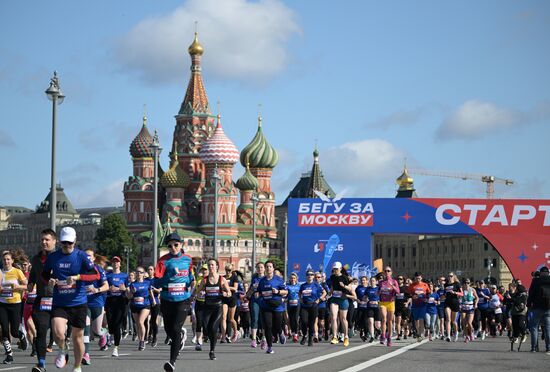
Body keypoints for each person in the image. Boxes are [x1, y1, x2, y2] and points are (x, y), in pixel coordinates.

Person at [41, 227, 100, 372]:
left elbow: (95, 276)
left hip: (78, 303)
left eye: (69, 243)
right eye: (64, 243)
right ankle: (62, 350)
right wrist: (50, 281)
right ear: (60, 242)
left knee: (77, 337)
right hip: (60, 302)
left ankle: (77, 366)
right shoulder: (53, 257)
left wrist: (78, 277)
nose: (66, 246)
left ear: (74, 241)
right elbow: (44, 275)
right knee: (57, 331)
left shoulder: (81, 256)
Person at [154, 233, 195, 372]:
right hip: (166, 298)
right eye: (170, 245)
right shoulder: (163, 261)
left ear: (181, 245)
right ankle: (180, 337)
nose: (173, 247)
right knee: (168, 330)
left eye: (176, 245)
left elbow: (190, 277)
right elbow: (156, 282)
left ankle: (172, 362)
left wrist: (192, 288)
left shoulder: (188, 259)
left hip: (182, 299)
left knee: (176, 329)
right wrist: (168, 276)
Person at [28, 229, 57, 372]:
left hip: (58, 300)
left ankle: (63, 350)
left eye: (47, 239)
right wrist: (30, 284)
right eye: (42, 240)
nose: (44, 242)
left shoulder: (60, 258)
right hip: (42, 299)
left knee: (58, 333)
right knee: (40, 331)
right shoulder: (36, 259)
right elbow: (33, 274)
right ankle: (41, 364)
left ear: (54, 241)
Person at [195, 258, 231, 360]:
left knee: (214, 328)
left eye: (212, 265)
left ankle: (212, 351)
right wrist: (199, 293)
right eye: (209, 265)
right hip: (207, 307)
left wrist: (225, 293)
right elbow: (197, 291)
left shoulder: (222, 280)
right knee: (206, 328)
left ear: (216, 267)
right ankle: (208, 338)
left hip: (218, 306)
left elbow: (229, 293)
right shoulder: (205, 280)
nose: (211, 267)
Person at [0, 251, 28, 364]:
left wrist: (18, 286)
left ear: (12, 261)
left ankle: (21, 336)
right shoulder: (0, 272)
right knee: (5, 330)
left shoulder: (17, 272)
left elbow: (27, 286)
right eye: (4, 259)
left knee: (14, 331)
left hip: (15, 304)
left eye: (8, 259)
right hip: (2, 304)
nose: (6, 261)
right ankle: (9, 355)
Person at [82, 250, 109, 365]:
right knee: (86, 330)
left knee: (96, 330)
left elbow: (106, 286)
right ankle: (86, 354)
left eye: (89, 256)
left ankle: (104, 334)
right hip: (84, 303)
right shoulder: (80, 269)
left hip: (97, 302)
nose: (87, 258)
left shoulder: (99, 269)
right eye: (85, 256)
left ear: (93, 258)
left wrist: (96, 290)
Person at [257, 261, 288, 354]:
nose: (268, 268)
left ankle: (280, 332)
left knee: (277, 325)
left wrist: (278, 292)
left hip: (277, 306)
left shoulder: (279, 279)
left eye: (270, 266)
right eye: (266, 266)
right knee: (268, 326)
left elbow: (286, 292)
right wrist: (257, 294)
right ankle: (269, 347)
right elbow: (259, 291)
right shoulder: (262, 280)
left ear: (273, 269)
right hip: (265, 306)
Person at [105, 256, 128, 357]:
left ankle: (116, 348)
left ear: (120, 264)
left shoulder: (125, 276)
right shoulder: (107, 275)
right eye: (114, 262)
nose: (115, 263)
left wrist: (124, 288)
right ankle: (111, 335)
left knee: (117, 324)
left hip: (120, 301)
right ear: (112, 264)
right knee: (110, 324)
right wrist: (109, 288)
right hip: (110, 301)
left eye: (117, 262)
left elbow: (129, 289)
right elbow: (104, 286)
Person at [127, 266, 154, 351]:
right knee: (138, 324)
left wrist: (153, 300)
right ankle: (140, 341)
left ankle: (143, 340)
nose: (139, 273)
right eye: (137, 272)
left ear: (143, 274)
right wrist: (132, 292)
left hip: (145, 305)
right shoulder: (133, 284)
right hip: (135, 305)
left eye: (141, 272)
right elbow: (130, 297)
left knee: (140, 321)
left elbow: (150, 292)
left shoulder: (147, 283)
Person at [328, 262, 354, 347]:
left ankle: (346, 337)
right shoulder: (332, 277)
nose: (335, 270)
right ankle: (335, 336)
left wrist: (344, 286)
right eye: (334, 269)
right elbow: (332, 287)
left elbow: (350, 288)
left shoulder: (345, 278)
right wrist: (329, 293)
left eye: (336, 269)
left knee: (343, 319)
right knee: (333, 317)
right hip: (334, 299)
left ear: (340, 269)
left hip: (343, 299)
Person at [299, 270, 326, 346]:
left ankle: (310, 338)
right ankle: (305, 335)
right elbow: (299, 293)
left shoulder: (316, 285)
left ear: (313, 276)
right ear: (306, 276)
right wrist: (301, 300)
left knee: (311, 323)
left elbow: (325, 292)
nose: (309, 276)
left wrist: (319, 299)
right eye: (308, 275)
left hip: (313, 306)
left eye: (311, 275)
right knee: (304, 322)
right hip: (304, 306)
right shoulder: (303, 285)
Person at [527, 266, 550, 353]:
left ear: (540, 273)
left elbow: (531, 293)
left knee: (534, 327)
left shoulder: (536, 281)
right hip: (548, 307)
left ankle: (534, 348)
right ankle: (548, 347)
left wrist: (529, 305)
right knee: (548, 327)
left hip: (537, 307)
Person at [379, 266, 400, 347]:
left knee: (390, 321)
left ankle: (389, 338)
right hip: (383, 303)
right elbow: (377, 293)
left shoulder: (394, 281)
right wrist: (379, 291)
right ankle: (383, 335)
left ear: (391, 272)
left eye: (388, 271)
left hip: (391, 303)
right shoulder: (381, 282)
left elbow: (398, 292)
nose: (387, 272)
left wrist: (393, 286)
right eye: (385, 271)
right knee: (384, 318)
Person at [407, 272, 431, 342]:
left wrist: (427, 298)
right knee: (416, 320)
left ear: (421, 277)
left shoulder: (425, 285)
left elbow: (429, 293)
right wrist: (412, 296)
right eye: (417, 278)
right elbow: (407, 294)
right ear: (415, 278)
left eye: (419, 278)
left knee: (421, 319)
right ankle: (418, 333)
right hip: (415, 305)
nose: (418, 279)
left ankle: (420, 334)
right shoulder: (412, 285)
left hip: (423, 305)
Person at [246, 262, 265, 348]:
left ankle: (264, 339)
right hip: (254, 301)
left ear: (264, 269)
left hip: (264, 301)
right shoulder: (254, 278)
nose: (260, 269)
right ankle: (253, 339)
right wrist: (247, 295)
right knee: (255, 318)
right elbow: (251, 288)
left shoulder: (266, 278)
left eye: (261, 267)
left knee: (264, 320)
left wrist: (260, 293)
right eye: (258, 267)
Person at [444, 272, 463, 342]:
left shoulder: (457, 284)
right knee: (448, 319)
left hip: (455, 302)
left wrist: (455, 293)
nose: (449, 277)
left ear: (454, 276)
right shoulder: (446, 284)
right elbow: (444, 293)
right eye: (448, 276)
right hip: (447, 302)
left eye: (451, 276)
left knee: (454, 321)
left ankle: (456, 333)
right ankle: (448, 336)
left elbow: (462, 293)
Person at [509, 281, 528, 347]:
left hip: (521, 311)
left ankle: (524, 334)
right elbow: (510, 301)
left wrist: (511, 298)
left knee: (520, 323)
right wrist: (509, 297)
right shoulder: (514, 294)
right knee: (515, 325)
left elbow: (518, 302)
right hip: (514, 311)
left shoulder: (523, 295)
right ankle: (516, 337)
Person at [146, 265, 161, 347]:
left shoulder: (157, 280)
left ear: (154, 271)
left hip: (155, 301)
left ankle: (154, 337)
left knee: (153, 320)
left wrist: (153, 289)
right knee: (146, 320)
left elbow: (159, 291)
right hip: (146, 301)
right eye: (148, 269)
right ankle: (148, 336)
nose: (149, 271)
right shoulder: (145, 280)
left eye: (151, 269)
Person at [460, 278, 478, 342]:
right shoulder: (461, 290)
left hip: (470, 308)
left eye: (468, 283)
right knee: (464, 323)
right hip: (463, 307)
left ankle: (471, 333)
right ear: (463, 284)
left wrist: (475, 304)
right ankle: (466, 336)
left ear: (469, 283)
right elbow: (458, 297)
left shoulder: (472, 290)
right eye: (465, 283)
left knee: (469, 323)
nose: (466, 284)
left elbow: (477, 298)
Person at [286, 273, 301, 343]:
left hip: (297, 304)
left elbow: (302, 294)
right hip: (290, 304)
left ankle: (296, 334)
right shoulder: (287, 286)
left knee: (295, 318)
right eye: (291, 278)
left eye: (294, 278)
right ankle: (292, 332)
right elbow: (285, 295)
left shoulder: (299, 286)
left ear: (296, 279)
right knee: (291, 319)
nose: (293, 279)